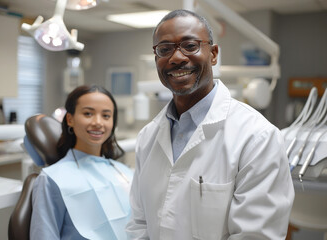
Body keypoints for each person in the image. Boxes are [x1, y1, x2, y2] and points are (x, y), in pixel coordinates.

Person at [126, 9, 294, 240]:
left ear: (213, 54)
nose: (176, 57)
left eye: (190, 46)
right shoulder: (148, 137)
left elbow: (256, 236)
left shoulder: (257, 137)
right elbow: (139, 223)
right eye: (164, 49)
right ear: (157, 59)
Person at [30, 85, 133, 240]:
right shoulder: (52, 179)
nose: (98, 122)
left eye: (106, 116)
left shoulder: (125, 173)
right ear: (70, 119)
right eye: (88, 113)